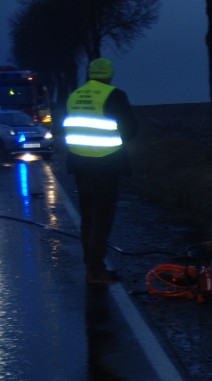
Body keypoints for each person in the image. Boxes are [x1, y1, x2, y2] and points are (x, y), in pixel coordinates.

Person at [62, 58, 138, 285]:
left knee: (87, 217)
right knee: (103, 218)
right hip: (105, 165)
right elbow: (130, 128)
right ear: (109, 75)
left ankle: (92, 265)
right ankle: (96, 271)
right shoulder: (114, 95)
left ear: (90, 74)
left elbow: (67, 125)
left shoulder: (75, 95)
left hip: (80, 164)